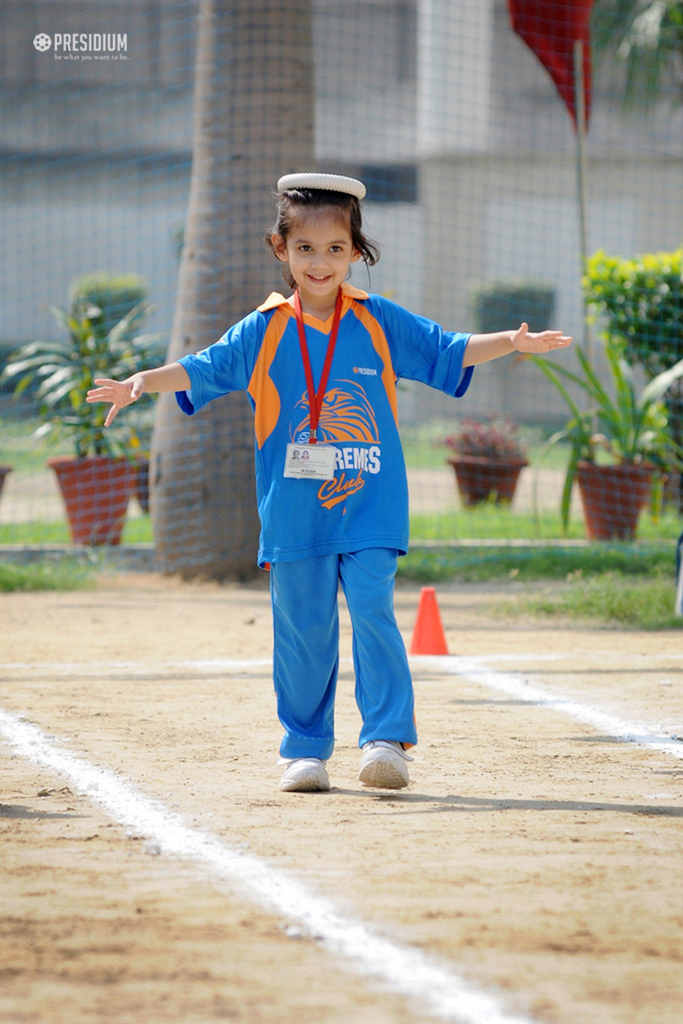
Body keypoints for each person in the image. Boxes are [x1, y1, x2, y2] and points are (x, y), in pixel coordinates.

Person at [86, 171, 571, 794]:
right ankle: (306, 749)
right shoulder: (261, 330)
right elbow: (200, 367)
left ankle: (386, 742)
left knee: (373, 610)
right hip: (295, 514)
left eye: (336, 249)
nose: (321, 262)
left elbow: (447, 348)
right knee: (303, 628)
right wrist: (139, 383)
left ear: (355, 252)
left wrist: (512, 341)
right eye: (306, 248)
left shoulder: (378, 320)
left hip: (371, 506)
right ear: (281, 250)